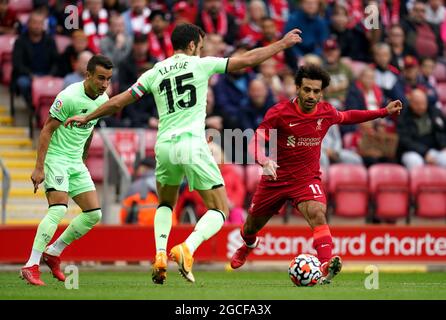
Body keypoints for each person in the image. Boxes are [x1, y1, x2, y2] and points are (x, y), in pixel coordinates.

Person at [64, 23, 303, 284]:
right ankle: (187, 248)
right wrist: (280, 45)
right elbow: (245, 60)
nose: (200, 51)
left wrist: (88, 116)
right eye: (199, 46)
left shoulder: (154, 72)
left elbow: (120, 100)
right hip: (192, 144)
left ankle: (159, 254)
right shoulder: (200, 65)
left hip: (164, 146)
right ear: (191, 46)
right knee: (220, 209)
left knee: (166, 203)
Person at [230, 64, 402, 284]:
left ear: (322, 92)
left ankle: (325, 265)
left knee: (318, 212)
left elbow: (348, 116)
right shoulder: (279, 112)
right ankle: (248, 245)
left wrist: (382, 112)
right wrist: (263, 160)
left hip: (306, 180)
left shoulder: (326, 112)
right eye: (307, 90)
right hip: (275, 179)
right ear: (298, 89)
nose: (311, 95)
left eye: (316, 91)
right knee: (250, 228)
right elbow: (256, 139)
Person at [20, 55, 113, 286]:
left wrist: (84, 157)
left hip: (75, 161)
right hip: (56, 157)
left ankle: (53, 252)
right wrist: (39, 167)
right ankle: (31, 265)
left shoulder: (104, 99)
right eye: (100, 78)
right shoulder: (69, 96)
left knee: (94, 214)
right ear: (88, 75)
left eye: (108, 79)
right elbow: (46, 130)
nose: (104, 84)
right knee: (59, 209)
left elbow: (90, 128)